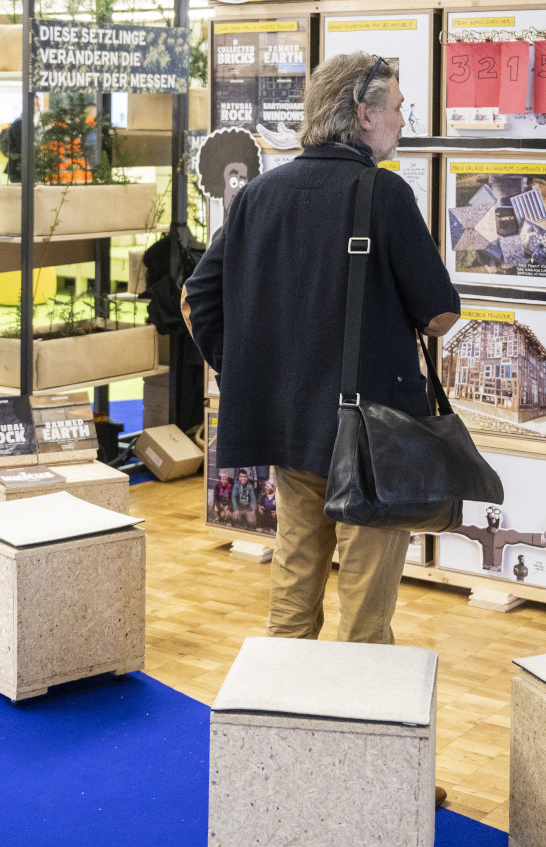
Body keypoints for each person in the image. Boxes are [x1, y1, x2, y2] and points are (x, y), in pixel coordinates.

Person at [183, 52, 459, 645]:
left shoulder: (259, 193)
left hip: (289, 425)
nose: (402, 121)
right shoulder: (384, 195)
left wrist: (247, 371)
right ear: (363, 115)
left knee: (295, 574)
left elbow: (197, 298)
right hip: (373, 435)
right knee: (365, 605)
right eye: (397, 109)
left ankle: (285, 719)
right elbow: (439, 314)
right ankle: (356, 729)